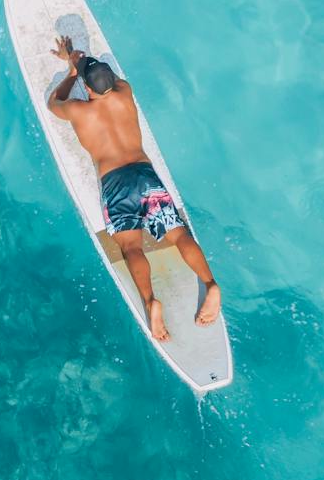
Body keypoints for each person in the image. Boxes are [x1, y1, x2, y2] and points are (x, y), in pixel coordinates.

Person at [48, 36, 222, 342]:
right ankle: (211, 284)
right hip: (144, 174)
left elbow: (54, 103)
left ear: (86, 90)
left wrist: (72, 70)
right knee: (179, 233)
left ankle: (151, 301)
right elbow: (106, 80)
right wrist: (84, 67)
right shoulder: (125, 91)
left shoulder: (78, 111)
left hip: (115, 183)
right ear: (111, 82)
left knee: (131, 247)